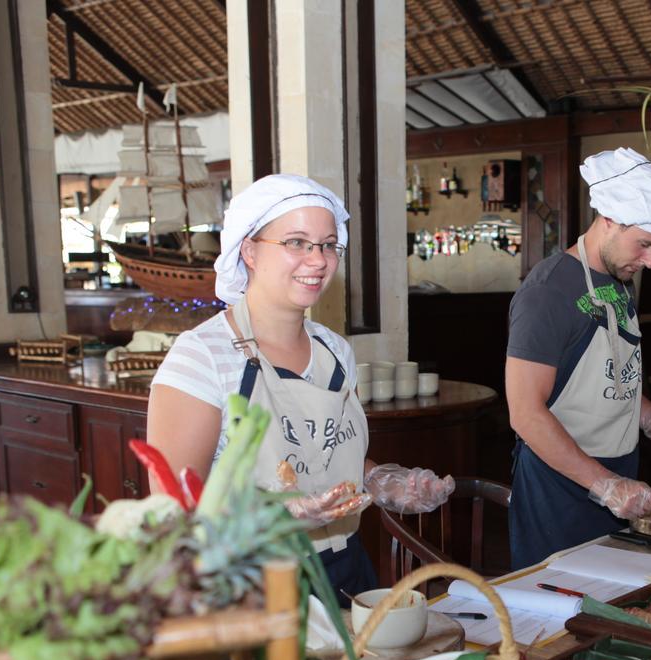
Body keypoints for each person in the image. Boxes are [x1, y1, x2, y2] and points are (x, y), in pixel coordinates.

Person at [148, 174, 454, 602]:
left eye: (328, 245)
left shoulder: (335, 351)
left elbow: (320, 453)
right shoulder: (202, 357)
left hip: (345, 568)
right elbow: (173, 508)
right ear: (250, 251)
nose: (318, 259)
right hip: (249, 583)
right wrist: (276, 516)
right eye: (296, 242)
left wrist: (383, 480)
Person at [505, 148, 651, 570]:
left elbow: (609, 376)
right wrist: (606, 485)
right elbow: (525, 413)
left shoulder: (617, 282)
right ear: (609, 220)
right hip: (559, 488)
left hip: (617, 476)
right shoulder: (548, 293)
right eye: (645, 244)